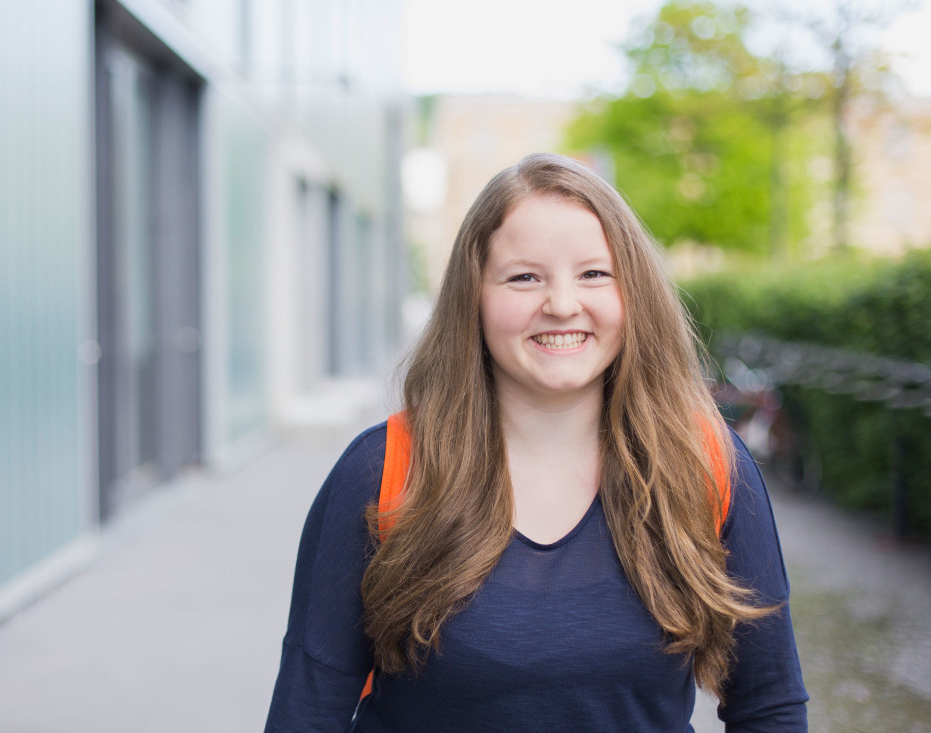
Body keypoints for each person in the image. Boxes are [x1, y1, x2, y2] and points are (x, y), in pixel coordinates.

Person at [265, 153, 808, 731]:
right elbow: (308, 711)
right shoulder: (386, 468)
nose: (562, 305)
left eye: (594, 274)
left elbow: (769, 705)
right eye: (524, 277)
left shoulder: (703, 462)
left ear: (635, 292)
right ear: (473, 296)